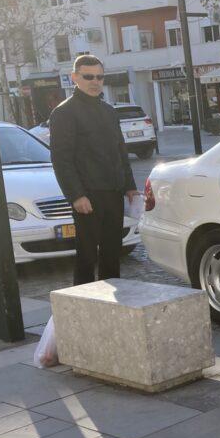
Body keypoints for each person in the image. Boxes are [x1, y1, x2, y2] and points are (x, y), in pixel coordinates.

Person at [49, 55, 139, 286]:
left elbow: (121, 152)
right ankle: (83, 304)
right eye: (88, 76)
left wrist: (130, 187)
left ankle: (112, 301)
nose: (95, 81)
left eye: (99, 77)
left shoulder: (109, 111)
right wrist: (76, 195)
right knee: (87, 255)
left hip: (113, 191)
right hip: (87, 195)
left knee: (112, 251)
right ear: (75, 78)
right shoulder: (64, 113)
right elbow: (62, 159)